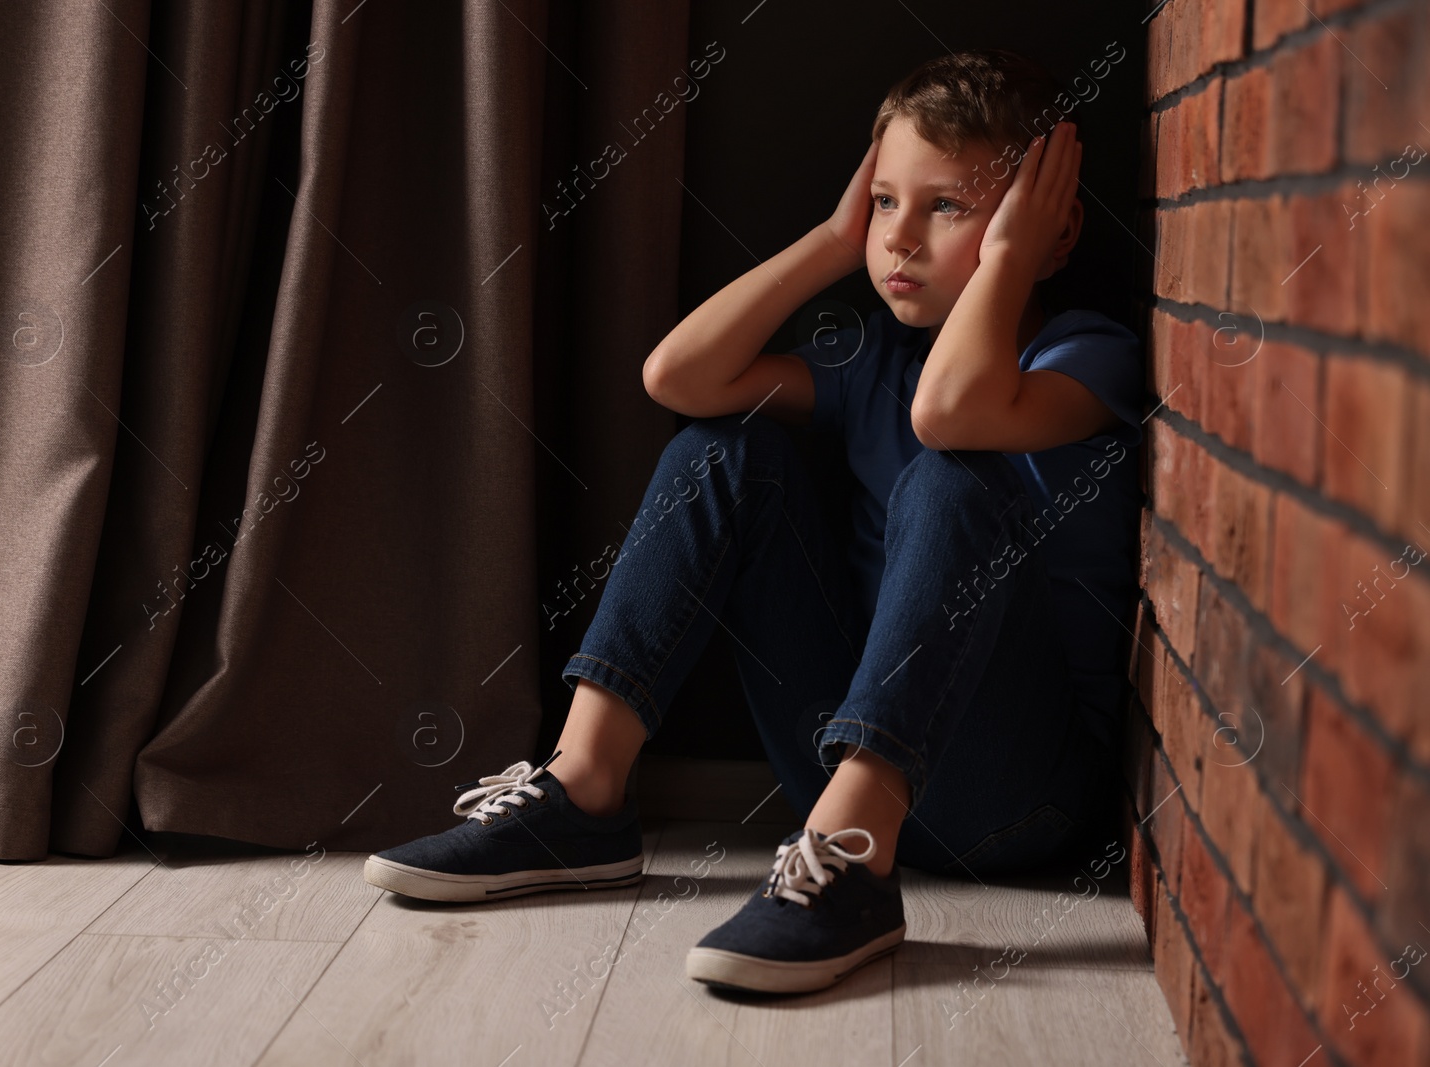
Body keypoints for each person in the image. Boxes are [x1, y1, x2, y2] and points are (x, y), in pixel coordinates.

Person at [362, 48, 1143, 997]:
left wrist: (1012, 258)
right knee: (719, 451)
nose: (899, 238)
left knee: (949, 480)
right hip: (837, 755)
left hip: (1018, 794)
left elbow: (953, 414)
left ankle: (850, 863)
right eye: (884, 202)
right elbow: (676, 377)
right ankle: (584, 789)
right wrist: (827, 240)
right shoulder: (872, 366)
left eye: (948, 207)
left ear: (1048, 225)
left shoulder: (1087, 357)